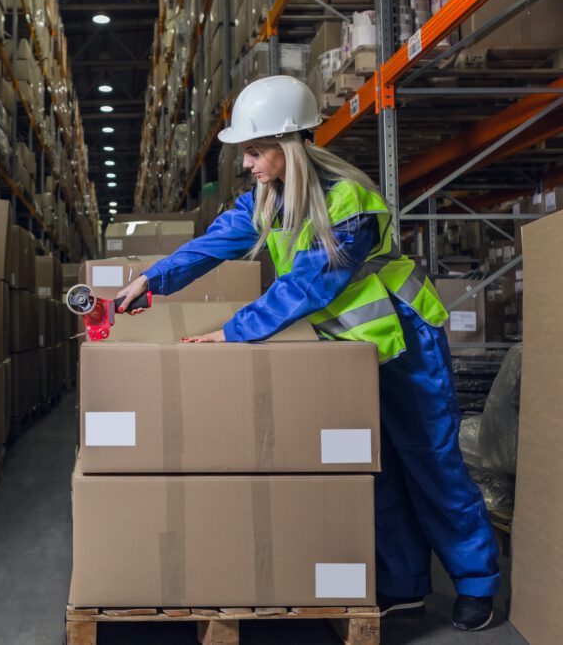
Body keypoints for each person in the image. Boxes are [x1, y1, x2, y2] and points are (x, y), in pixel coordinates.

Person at [115, 75, 500, 631]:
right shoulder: (268, 201)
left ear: (288, 145)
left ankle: (476, 584)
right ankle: (404, 584)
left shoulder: (349, 204)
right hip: (346, 352)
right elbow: (210, 244)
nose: (246, 164)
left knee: (432, 464)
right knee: (376, 471)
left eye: (253, 151)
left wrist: (234, 331)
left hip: (405, 344)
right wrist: (149, 280)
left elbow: (309, 284)